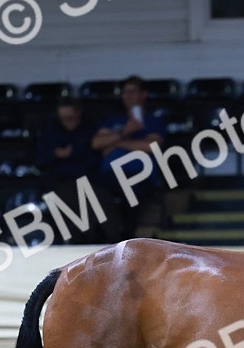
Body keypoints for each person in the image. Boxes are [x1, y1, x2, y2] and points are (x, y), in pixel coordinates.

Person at [92, 76, 167, 237]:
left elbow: (150, 146)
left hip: (139, 174)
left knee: (132, 190)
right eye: (125, 92)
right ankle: (109, 236)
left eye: (132, 91)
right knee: (92, 189)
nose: (128, 95)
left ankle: (127, 236)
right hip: (109, 174)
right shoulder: (114, 121)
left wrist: (115, 143)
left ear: (143, 94)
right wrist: (125, 132)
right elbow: (97, 143)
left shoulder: (152, 121)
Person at [35, 99, 99, 192]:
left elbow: (93, 157)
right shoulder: (52, 129)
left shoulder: (89, 128)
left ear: (78, 113)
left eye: (70, 118)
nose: (66, 122)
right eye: (62, 119)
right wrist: (56, 154)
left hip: (84, 177)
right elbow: (41, 158)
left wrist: (73, 152)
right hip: (55, 178)